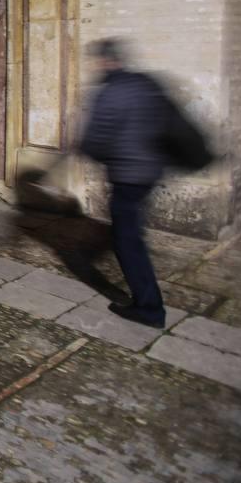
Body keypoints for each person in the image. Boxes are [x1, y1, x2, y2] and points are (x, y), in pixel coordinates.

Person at [78, 38, 168, 328]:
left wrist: (87, 150)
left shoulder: (110, 92)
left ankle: (149, 308)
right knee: (131, 232)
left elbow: (95, 140)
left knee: (127, 241)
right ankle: (147, 302)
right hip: (152, 171)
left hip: (128, 175)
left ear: (105, 61)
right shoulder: (146, 84)